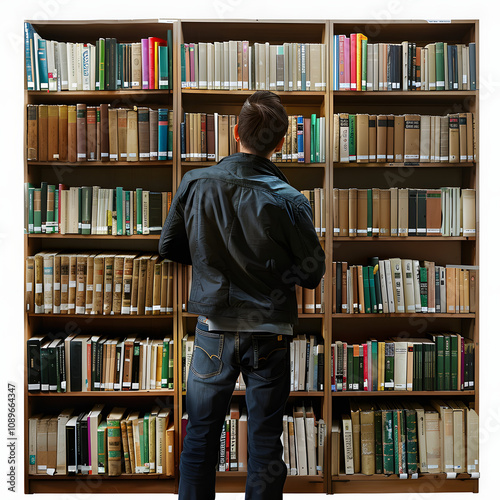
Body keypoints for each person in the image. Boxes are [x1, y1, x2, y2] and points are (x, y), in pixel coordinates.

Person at [158, 90, 325, 500]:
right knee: (266, 443)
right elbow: (314, 272)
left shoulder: (195, 183)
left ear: (236, 133)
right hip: (269, 335)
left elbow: (169, 248)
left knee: (199, 437)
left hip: (212, 333)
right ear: (282, 143)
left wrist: (210, 257)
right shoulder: (290, 201)